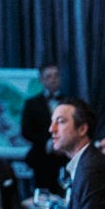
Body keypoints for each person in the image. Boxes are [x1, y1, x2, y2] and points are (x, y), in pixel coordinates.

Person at [49, 98, 105, 209]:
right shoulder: (86, 161)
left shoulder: (93, 169)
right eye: (52, 122)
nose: (51, 129)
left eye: (60, 121)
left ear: (82, 129)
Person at [23, 64, 68, 194]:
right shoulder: (32, 103)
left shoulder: (69, 102)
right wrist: (47, 142)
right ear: (41, 80)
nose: (53, 79)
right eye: (49, 76)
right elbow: (26, 132)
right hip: (42, 159)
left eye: (56, 75)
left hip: (64, 158)